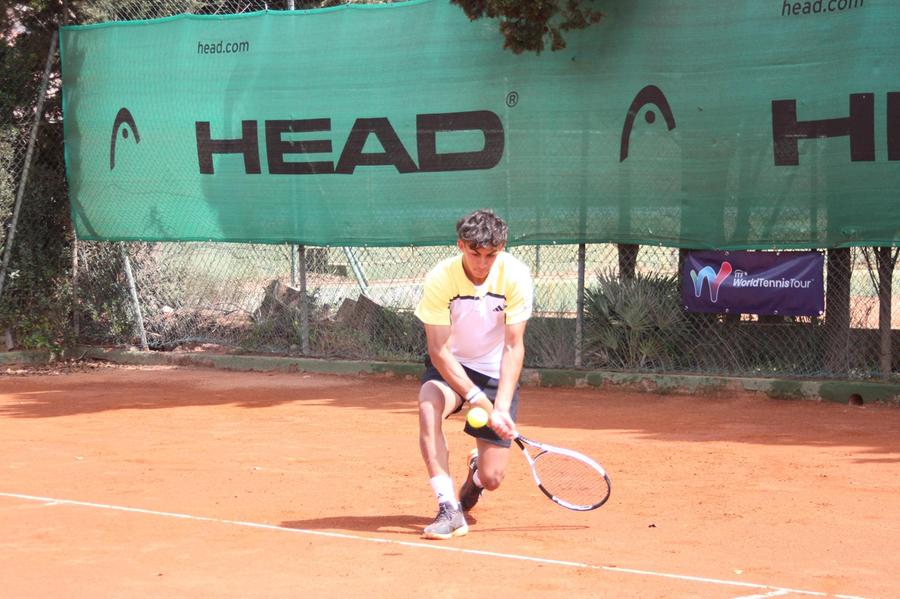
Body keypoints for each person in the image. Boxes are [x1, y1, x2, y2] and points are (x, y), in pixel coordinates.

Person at [414, 208, 534, 540]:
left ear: (502, 249)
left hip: (496, 371)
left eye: (491, 255)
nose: (482, 263)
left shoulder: (515, 276)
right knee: (428, 404)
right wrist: (475, 398)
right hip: (453, 366)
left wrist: (500, 405)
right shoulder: (441, 278)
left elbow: (513, 346)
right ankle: (448, 508)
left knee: (494, 477)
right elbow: (438, 351)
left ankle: (476, 477)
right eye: (474, 253)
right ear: (460, 246)